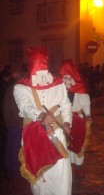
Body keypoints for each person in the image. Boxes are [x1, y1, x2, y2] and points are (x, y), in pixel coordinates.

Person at [13, 46, 72, 195]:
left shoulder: (58, 84)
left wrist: (66, 123)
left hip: (57, 135)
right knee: (40, 177)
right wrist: (40, 115)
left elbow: (66, 105)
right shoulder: (21, 87)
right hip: (34, 136)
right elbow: (24, 105)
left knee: (61, 175)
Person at [60, 59, 92, 178]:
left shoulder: (79, 86)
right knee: (66, 142)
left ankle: (78, 166)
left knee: (78, 141)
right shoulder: (60, 87)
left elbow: (85, 102)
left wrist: (88, 115)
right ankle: (69, 165)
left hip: (77, 118)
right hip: (64, 119)